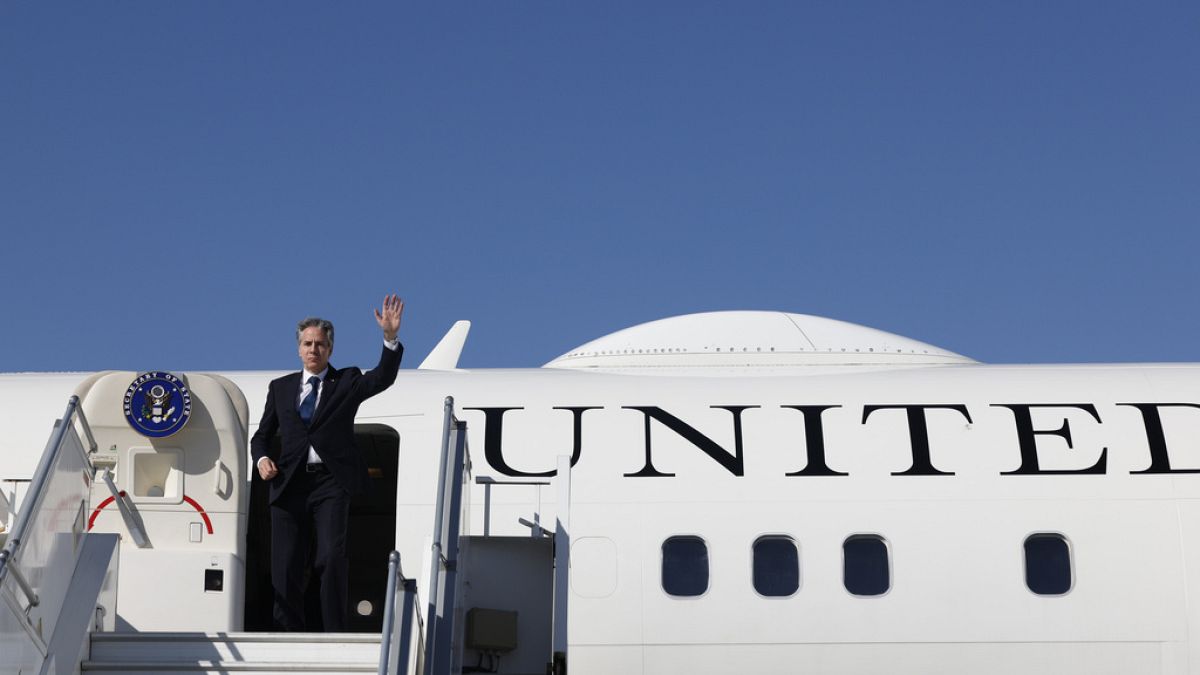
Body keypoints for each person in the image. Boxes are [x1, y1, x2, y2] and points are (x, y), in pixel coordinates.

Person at [250, 294, 404, 632]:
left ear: (329, 349)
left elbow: (382, 378)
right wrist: (262, 459)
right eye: (307, 343)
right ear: (298, 349)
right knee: (285, 566)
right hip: (288, 485)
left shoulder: (346, 381)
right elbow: (261, 436)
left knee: (330, 559)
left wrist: (389, 339)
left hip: (330, 484)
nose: (313, 349)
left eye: (320, 344)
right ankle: (287, 634)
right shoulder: (281, 388)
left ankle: (334, 632)